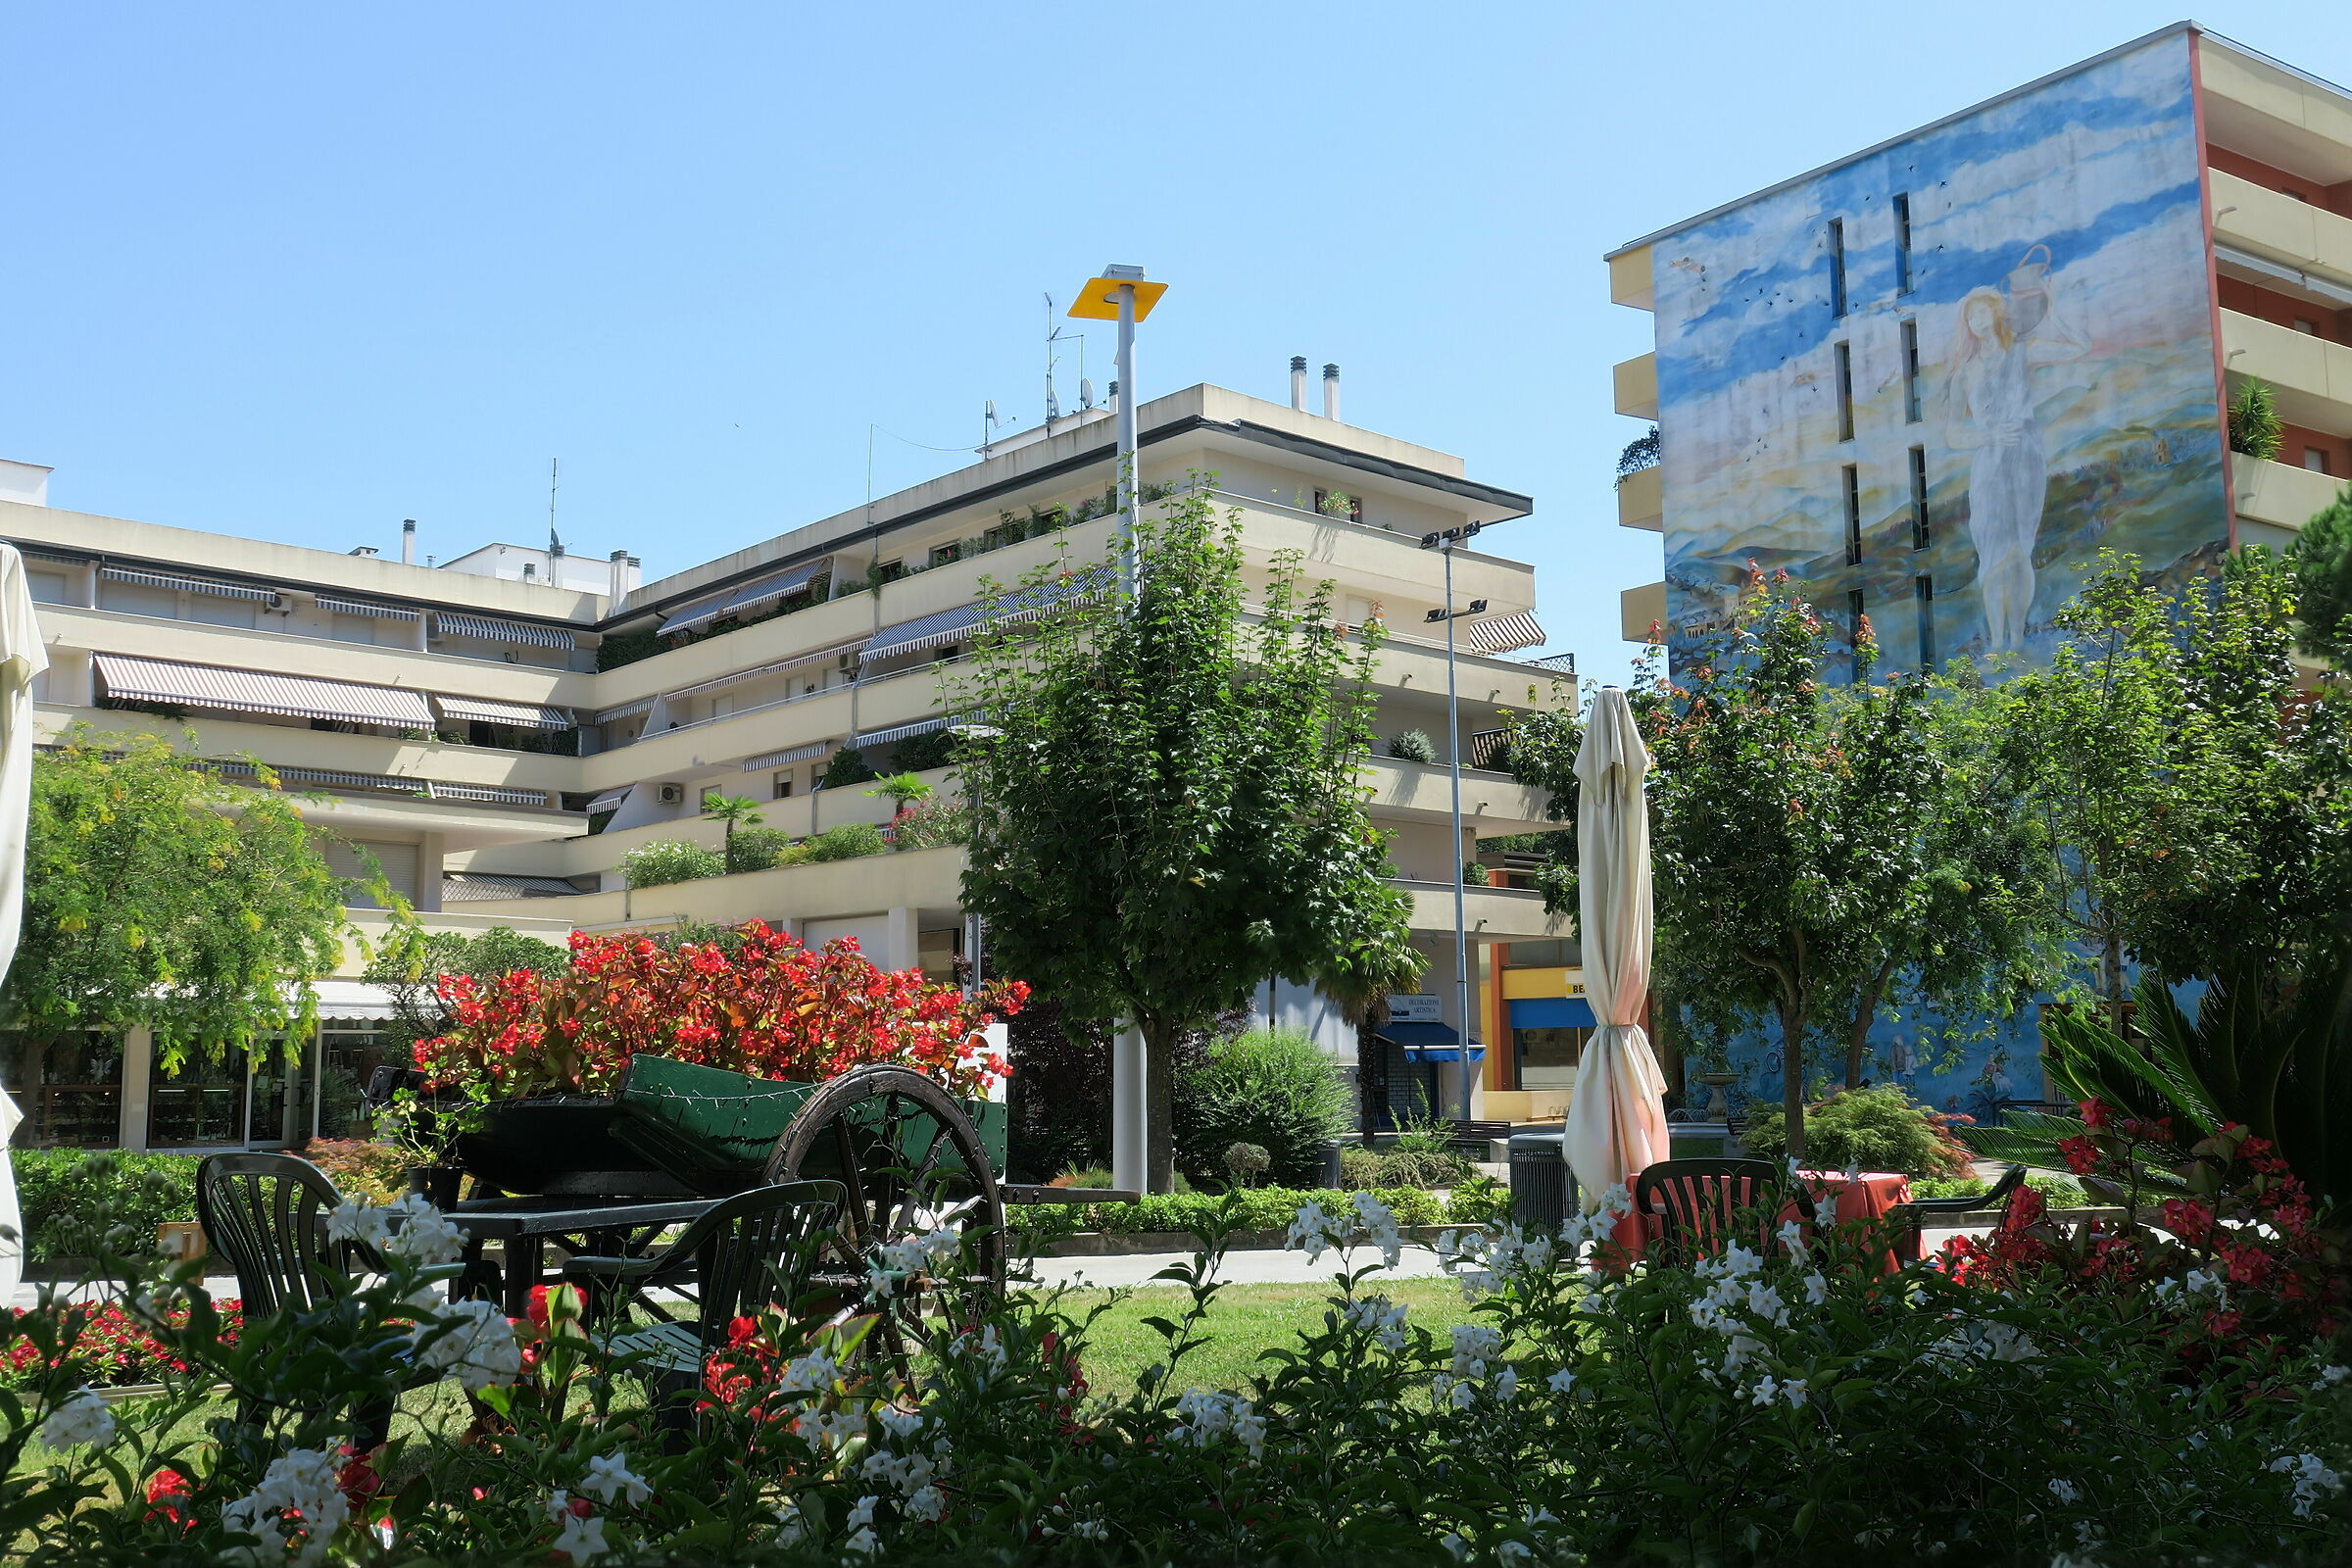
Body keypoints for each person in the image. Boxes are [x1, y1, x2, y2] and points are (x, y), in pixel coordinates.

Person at [1940, 263, 2086, 653]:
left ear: (1996, 313)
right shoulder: (1964, 374)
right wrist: (1987, 435)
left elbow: (2080, 349)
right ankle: (1997, 640)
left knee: (2020, 549)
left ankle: (2018, 639)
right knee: (1991, 554)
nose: (1976, 320)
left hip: (2025, 455)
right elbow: (1952, 434)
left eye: (1982, 311)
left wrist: (2053, 311)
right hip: (1988, 461)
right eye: (1969, 316)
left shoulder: (2022, 351)